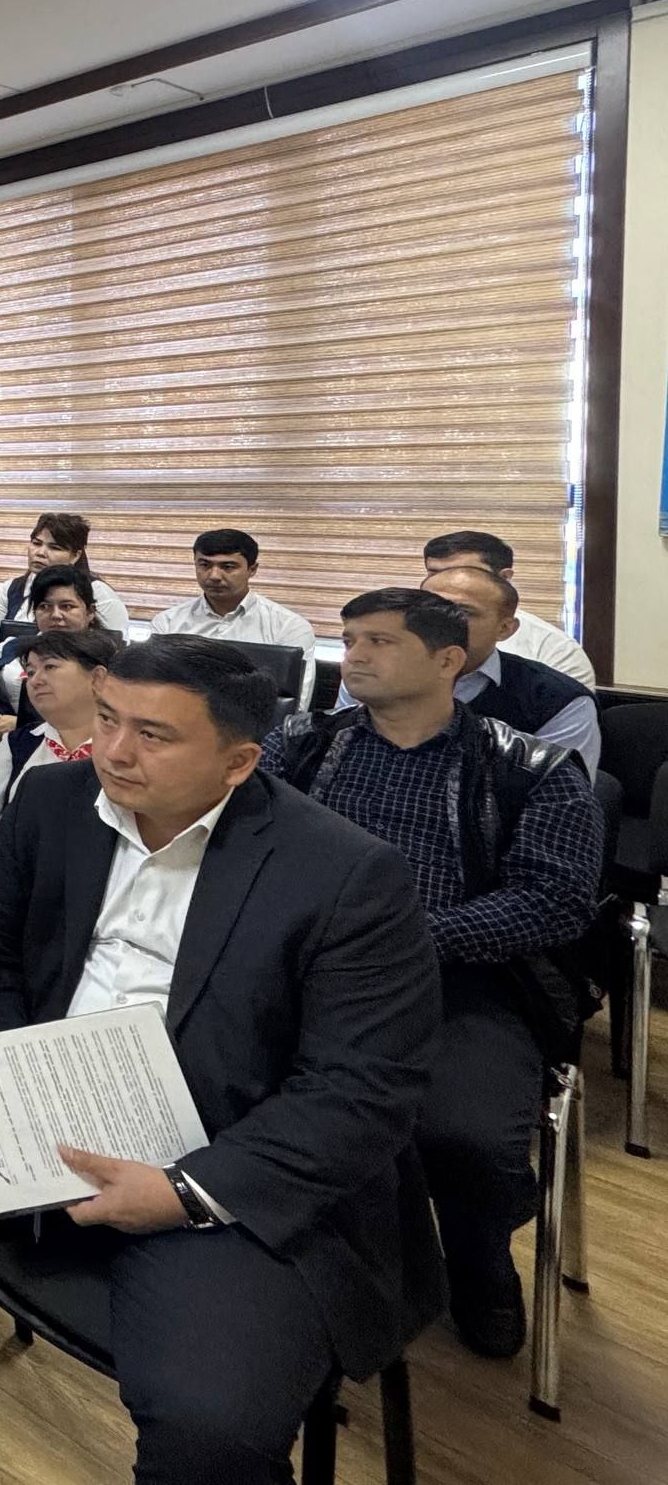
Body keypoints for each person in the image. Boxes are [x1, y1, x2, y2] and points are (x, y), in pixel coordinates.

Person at [0, 637, 441, 1485]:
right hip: (50, 1086)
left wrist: (184, 1191)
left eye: (153, 735)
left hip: (219, 1144)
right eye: (108, 719)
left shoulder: (346, 874)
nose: (113, 750)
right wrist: (10, 1072)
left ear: (238, 762)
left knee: (208, 1423)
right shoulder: (56, 799)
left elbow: (360, 1092)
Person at [267, 588, 602, 1358]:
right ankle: (295, 1260)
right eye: (349, 638)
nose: (353, 655)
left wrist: (411, 937)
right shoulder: (304, 744)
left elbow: (551, 905)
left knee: (467, 1135)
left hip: (462, 979)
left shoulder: (533, 769)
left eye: (380, 641)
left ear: (448, 659)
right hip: (306, 969)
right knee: (229, 1080)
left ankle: (479, 1261)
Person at [419, 564, 601, 779]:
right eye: (427, 610)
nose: (438, 622)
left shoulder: (557, 700)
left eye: (462, 612)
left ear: (504, 629)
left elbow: (561, 801)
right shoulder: (378, 678)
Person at [0, 627, 118, 870]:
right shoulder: (18, 744)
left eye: (50, 667)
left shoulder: (125, 749)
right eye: (30, 671)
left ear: (97, 678)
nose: (35, 680)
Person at [148, 527, 317, 707]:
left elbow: (294, 709)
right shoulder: (167, 624)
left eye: (228, 567)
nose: (214, 576)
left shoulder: (288, 627)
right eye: (204, 565)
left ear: (252, 569)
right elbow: (150, 690)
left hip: (254, 731)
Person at [420, 530, 596, 687]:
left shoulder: (554, 650)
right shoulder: (400, 632)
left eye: (466, 572)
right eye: (434, 573)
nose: (446, 582)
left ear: (504, 577)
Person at [0, 511, 131, 634]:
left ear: (75, 555)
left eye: (54, 548)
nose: (40, 553)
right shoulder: (10, 590)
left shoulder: (100, 595)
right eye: (36, 543)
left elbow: (115, 655)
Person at [0, 562, 100, 707]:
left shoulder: (106, 661)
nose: (55, 615)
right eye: (45, 606)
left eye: (67, 606)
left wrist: (18, 722)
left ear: (90, 612)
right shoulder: (11, 648)